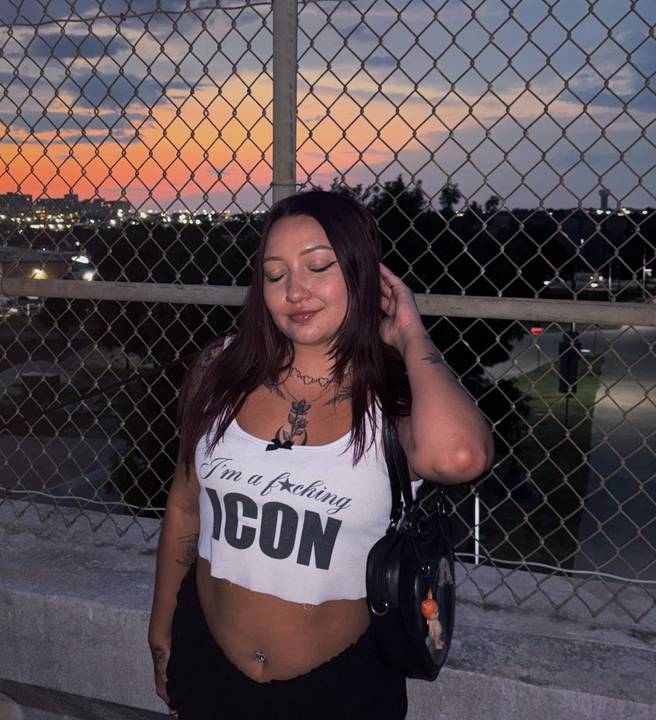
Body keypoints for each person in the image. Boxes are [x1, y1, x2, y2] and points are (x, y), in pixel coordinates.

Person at [148, 189, 494, 719]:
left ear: (362, 273)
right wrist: (161, 630)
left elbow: (461, 457)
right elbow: (184, 505)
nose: (295, 291)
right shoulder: (219, 370)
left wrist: (409, 333)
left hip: (341, 687)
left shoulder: (395, 396)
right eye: (275, 274)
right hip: (208, 666)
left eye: (318, 266)